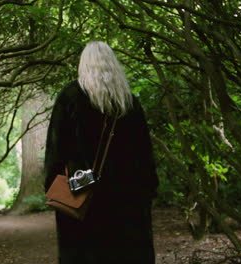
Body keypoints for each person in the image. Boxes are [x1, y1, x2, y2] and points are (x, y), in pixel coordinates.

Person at [44, 41, 159, 264]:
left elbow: (56, 149)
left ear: (83, 64)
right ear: (113, 65)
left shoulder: (70, 97)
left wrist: (53, 184)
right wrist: (149, 190)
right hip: (128, 197)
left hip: (82, 192)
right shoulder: (130, 103)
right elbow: (145, 155)